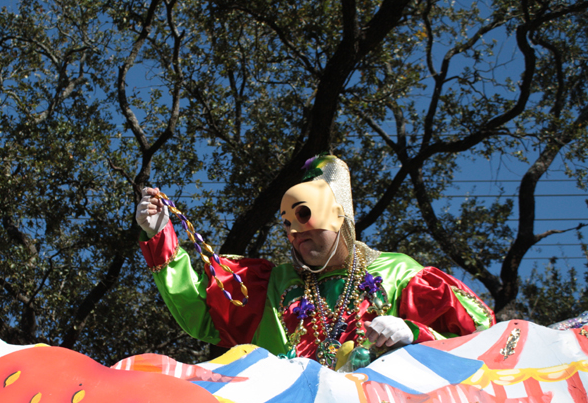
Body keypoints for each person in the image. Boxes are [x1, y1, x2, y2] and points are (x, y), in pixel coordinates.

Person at [137, 156, 495, 370]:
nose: (296, 233)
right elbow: (202, 312)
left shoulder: (396, 273)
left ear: (339, 219)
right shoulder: (270, 286)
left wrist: (414, 334)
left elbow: (479, 333)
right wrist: (160, 238)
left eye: (306, 219)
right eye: (288, 225)